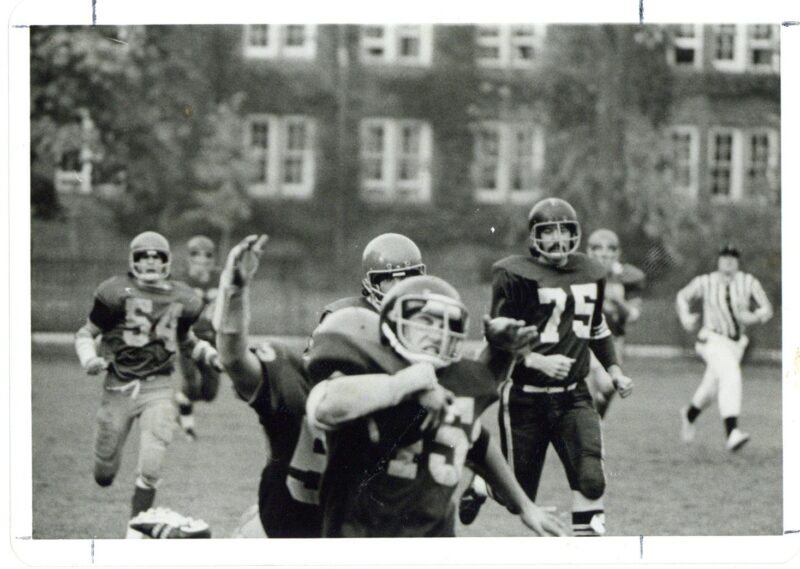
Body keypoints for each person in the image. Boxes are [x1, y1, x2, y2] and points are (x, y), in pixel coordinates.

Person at [304, 275, 566, 538]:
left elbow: (475, 441)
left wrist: (525, 506)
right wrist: (411, 384)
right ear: (394, 323)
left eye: (445, 323)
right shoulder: (369, 372)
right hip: (361, 542)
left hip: (435, 540)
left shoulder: (459, 379)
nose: (436, 332)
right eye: (425, 321)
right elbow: (324, 406)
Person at [215, 232, 429, 537]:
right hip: (295, 525)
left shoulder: (396, 390)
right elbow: (234, 359)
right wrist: (234, 291)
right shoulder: (300, 384)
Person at [477, 197, 634, 537]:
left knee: (591, 480)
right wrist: (536, 360)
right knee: (515, 494)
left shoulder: (591, 271)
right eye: (549, 232)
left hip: (574, 397)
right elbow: (498, 339)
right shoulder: (514, 274)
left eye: (565, 231)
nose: (558, 240)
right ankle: (481, 484)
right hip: (525, 398)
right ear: (534, 237)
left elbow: (597, 328)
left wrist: (615, 370)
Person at [73, 231, 222, 537]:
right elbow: (85, 334)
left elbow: (187, 340)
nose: (151, 261)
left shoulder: (183, 296)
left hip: (159, 386)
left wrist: (210, 354)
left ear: (167, 261)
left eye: (157, 256)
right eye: (144, 256)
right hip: (119, 386)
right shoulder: (114, 291)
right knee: (104, 473)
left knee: (152, 466)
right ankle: (109, 474)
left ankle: (136, 533)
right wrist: (89, 359)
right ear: (133, 261)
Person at [676, 244, 773, 451]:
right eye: (725, 256)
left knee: (711, 389)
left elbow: (766, 308)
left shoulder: (748, 282)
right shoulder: (706, 281)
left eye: (733, 257)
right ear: (718, 260)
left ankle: (689, 414)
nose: (728, 260)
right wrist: (685, 317)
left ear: (738, 261)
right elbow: (682, 297)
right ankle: (732, 432)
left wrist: (754, 316)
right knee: (731, 375)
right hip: (712, 339)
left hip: (735, 344)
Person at [584, 228, 645, 418]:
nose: (604, 255)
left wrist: (618, 302)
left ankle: (596, 414)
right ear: (589, 252)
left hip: (612, 339)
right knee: (586, 386)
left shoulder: (628, 277)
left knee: (609, 385)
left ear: (617, 253)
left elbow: (633, 316)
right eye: (599, 250)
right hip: (583, 338)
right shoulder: (580, 273)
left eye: (609, 250)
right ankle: (590, 422)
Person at [174, 235, 223, 440]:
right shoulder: (181, 280)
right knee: (192, 383)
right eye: (197, 256)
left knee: (210, 393)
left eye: (207, 256)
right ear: (189, 259)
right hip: (187, 337)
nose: (202, 261)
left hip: (212, 338)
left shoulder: (221, 278)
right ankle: (188, 426)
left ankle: (181, 401)